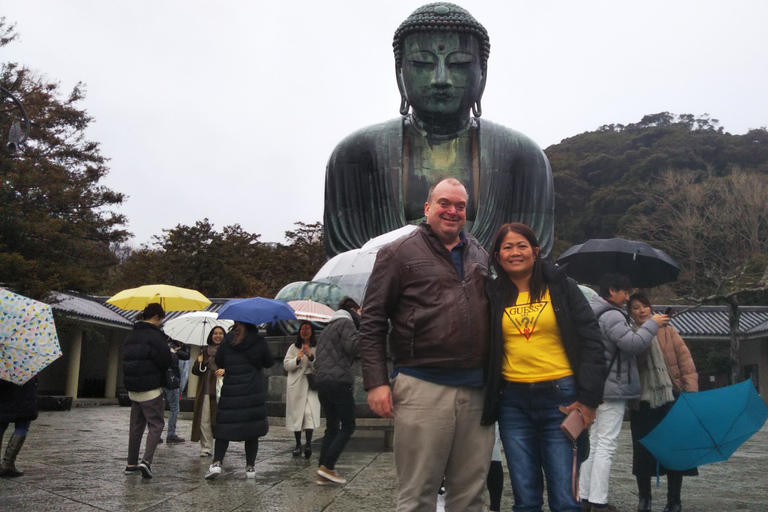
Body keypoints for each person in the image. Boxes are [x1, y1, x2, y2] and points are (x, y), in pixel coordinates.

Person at [323, 3, 554, 260]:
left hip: (488, 290)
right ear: (400, 75)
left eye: (459, 64)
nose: (441, 79)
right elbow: (346, 258)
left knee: (582, 295)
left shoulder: (523, 156)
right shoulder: (356, 153)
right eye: (422, 63)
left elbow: (534, 254)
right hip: (394, 290)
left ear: (482, 75)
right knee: (298, 291)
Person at [361, 178, 494, 512]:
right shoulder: (398, 253)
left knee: (471, 494)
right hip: (422, 385)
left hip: (477, 389)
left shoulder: (480, 253)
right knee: (418, 492)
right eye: (444, 204)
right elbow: (373, 319)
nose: (452, 211)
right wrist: (376, 382)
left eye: (460, 206)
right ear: (427, 208)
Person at [482, 222, 606, 512]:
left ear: (536, 251)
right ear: (497, 255)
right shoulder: (492, 294)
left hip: (561, 397)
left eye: (522, 246)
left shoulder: (562, 287)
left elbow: (591, 340)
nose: (515, 252)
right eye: (507, 247)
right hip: (513, 402)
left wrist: (589, 399)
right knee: (525, 498)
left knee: (565, 498)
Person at [579, 274, 669, 511]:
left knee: (594, 444)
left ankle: (585, 497)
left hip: (594, 386)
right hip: (612, 387)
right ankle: (599, 501)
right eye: (626, 292)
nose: (628, 297)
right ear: (612, 290)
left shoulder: (591, 311)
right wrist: (652, 324)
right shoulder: (611, 315)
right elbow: (632, 344)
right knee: (605, 445)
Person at [628, 293, 698, 512]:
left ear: (651, 308)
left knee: (675, 449)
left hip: (671, 396)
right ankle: (644, 498)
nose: (642, 311)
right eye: (636, 307)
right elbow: (633, 364)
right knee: (642, 449)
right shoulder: (629, 334)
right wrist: (646, 336)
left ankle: (674, 499)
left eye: (645, 306)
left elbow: (685, 361)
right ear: (630, 313)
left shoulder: (668, 330)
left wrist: (690, 392)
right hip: (643, 400)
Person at [205, 321, 274, 480]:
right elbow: (269, 362)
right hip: (252, 391)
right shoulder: (259, 341)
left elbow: (220, 361)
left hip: (232, 390)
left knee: (224, 428)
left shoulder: (228, 340)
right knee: (252, 430)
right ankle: (250, 467)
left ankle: (216, 463)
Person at [314, 297, 361, 485]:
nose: (361, 315)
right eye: (359, 311)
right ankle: (328, 465)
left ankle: (322, 469)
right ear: (352, 309)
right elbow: (354, 347)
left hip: (323, 382)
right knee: (348, 425)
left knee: (332, 426)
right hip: (338, 382)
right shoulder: (346, 323)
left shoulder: (328, 327)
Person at [122, 303, 172, 479]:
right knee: (156, 424)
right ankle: (147, 462)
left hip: (133, 388)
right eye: (161, 319)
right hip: (151, 388)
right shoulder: (156, 337)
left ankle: (131, 463)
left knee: (136, 426)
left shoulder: (131, 334)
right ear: (157, 317)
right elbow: (165, 362)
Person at [284, 321, 321, 459]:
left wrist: (310, 356)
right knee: (297, 415)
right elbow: (287, 365)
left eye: (307, 329)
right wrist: (298, 359)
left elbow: (320, 364)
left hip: (310, 384)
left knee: (308, 413)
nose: (305, 331)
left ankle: (309, 444)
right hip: (297, 384)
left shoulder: (316, 347)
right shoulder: (293, 347)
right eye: (302, 329)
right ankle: (298, 444)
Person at [190, 325, 226, 457]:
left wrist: (225, 370)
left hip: (221, 390)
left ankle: (221, 446)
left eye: (220, 333)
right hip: (205, 389)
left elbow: (234, 367)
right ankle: (206, 447)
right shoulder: (204, 351)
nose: (217, 336)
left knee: (219, 420)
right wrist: (199, 362)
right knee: (204, 419)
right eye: (215, 333)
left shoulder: (227, 351)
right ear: (211, 335)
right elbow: (196, 371)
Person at [0, 376, 39, 478]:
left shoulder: (4, 367)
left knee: (1, 426)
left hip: (4, 401)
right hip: (25, 402)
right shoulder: (28, 366)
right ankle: (7, 464)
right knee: (22, 428)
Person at [163, 336, 190, 443]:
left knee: (161, 407)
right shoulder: (172, 348)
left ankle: (156, 432)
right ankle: (171, 434)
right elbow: (186, 356)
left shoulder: (165, 345)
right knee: (174, 408)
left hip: (163, 381)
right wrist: (183, 348)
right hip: (171, 381)